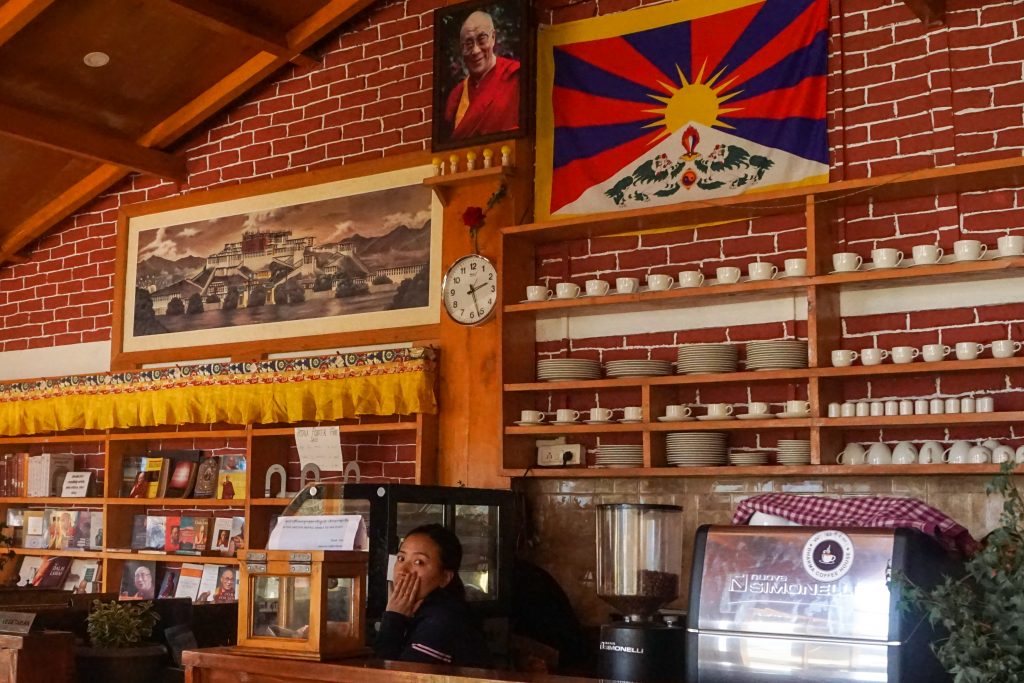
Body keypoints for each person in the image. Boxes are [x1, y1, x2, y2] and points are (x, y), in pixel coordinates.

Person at [373, 524, 491, 668]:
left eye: (418, 562)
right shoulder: (419, 610)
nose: (403, 570)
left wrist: (393, 618)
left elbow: (395, 677)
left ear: (445, 577)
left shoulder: (442, 620)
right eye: (401, 558)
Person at [443, 10, 520, 142]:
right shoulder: (457, 95)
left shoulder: (516, 76)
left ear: (493, 38)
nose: (475, 50)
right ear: (461, 49)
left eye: (482, 39)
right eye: (468, 44)